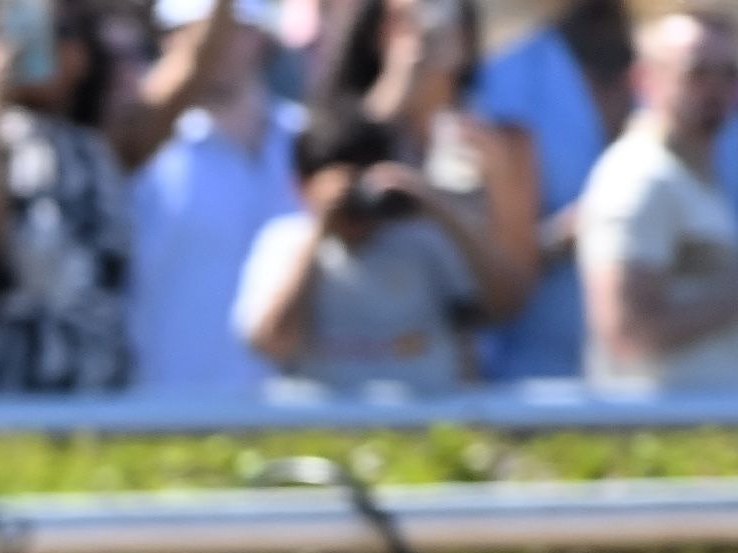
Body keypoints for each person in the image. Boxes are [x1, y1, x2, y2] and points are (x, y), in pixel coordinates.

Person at [0, 0, 135, 392]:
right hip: (10, 375)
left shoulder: (95, 145)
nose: (42, 46)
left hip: (97, 370)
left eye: (61, 33)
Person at [309, 0, 539, 330]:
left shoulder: (502, 143)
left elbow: (513, 293)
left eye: (441, 18)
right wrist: (398, 85)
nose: (425, 33)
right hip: (349, 341)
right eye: (403, 21)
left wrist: (437, 205)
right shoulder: (336, 128)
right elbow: (327, 199)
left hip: (455, 358)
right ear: (376, 31)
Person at [121, 0, 306, 391]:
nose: (217, 45)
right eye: (198, 31)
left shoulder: (308, 139)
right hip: (160, 419)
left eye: (233, 30)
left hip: (298, 418)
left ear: (259, 39)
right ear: (169, 42)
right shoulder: (136, 154)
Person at [235, 109, 479, 387]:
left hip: (426, 422)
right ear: (301, 186)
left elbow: (503, 302)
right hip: (323, 427)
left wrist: (433, 202)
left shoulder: (422, 238)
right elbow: (270, 342)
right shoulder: (286, 241)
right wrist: (320, 230)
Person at [469, 0, 635, 377]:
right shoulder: (510, 72)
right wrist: (554, 239)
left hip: (666, 370)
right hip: (536, 360)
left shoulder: (698, 63)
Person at [578, 9, 738, 391]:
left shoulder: (693, 176)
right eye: (696, 71)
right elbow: (628, 331)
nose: (715, 88)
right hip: (654, 433)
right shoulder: (637, 175)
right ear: (645, 79)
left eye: (729, 73)